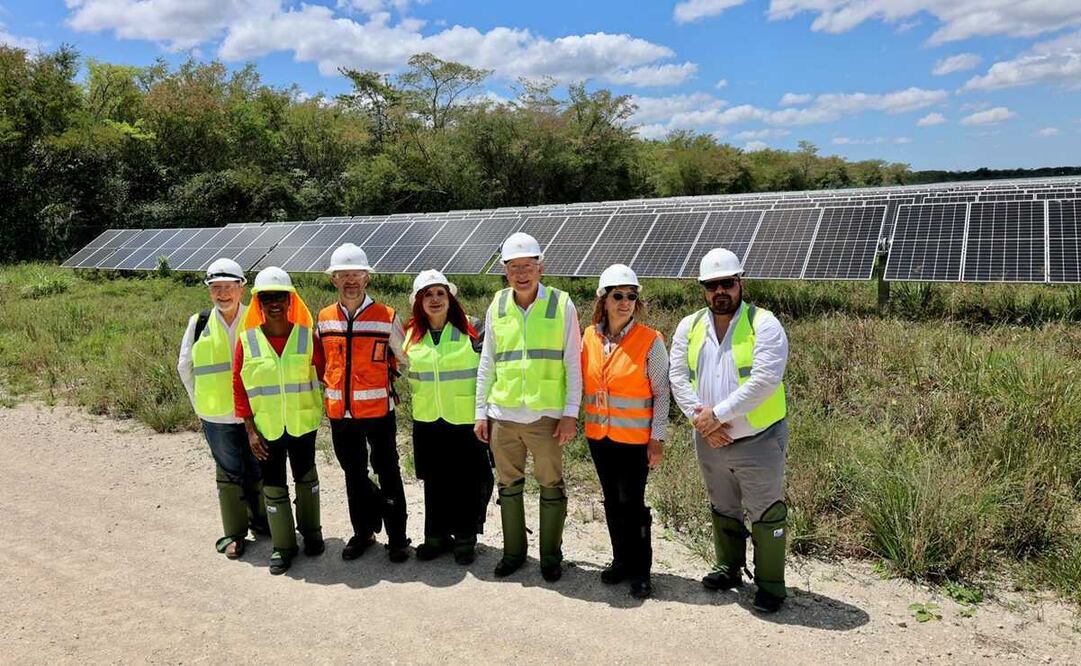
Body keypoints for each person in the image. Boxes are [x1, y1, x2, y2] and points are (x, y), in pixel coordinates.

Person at [668, 248, 790, 613]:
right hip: (709, 438)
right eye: (712, 285)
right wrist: (702, 422)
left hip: (758, 438)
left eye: (727, 283)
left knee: (766, 510)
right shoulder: (689, 326)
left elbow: (765, 380)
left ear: (741, 283)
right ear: (703, 289)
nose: (720, 291)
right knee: (722, 504)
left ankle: (770, 585)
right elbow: (678, 377)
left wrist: (717, 415)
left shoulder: (763, 324)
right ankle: (728, 568)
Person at [475, 232, 582, 582]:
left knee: (551, 484)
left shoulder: (561, 304)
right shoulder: (497, 304)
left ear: (540, 268)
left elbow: (573, 363)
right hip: (503, 415)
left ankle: (550, 556)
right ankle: (513, 554)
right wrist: (480, 412)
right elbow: (488, 362)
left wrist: (570, 413)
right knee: (509, 485)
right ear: (505, 271)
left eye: (527, 266)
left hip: (545, 416)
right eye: (514, 267)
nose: (521, 274)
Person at [316, 243, 411, 563]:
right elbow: (321, 362)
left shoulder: (387, 316)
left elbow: (405, 357)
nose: (350, 281)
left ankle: (398, 539)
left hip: (379, 412)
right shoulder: (324, 318)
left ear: (367, 278)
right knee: (353, 474)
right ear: (334, 280)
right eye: (343, 275)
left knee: (388, 471)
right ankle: (364, 533)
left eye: (356, 274)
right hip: (339, 414)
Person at [581, 264, 669, 599]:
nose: (625, 302)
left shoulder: (650, 340)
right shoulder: (589, 336)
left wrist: (657, 438)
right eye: (617, 295)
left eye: (631, 296)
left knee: (632, 503)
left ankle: (641, 570)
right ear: (603, 300)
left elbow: (662, 393)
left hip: (634, 441)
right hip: (600, 437)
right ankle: (620, 561)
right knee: (612, 501)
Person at [233, 266, 325, 575]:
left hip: (303, 424)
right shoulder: (247, 341)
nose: (274, 303)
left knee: (306, 478)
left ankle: (312, 534)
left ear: (290, 301)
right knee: (273, 484)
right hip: (266, 429)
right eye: (267, 298)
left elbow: (328, 373)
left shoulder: (307, 337)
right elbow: (239, 387)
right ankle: (283, 546)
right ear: (258, 303)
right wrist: (250, 430)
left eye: (280, 297)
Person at [177, 258, 267, 559]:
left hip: (255, 413)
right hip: (216, 415)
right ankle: (235, 534)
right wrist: (200, 405)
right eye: (216, 288)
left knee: (258, 467)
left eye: (229, 287)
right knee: (229, 472)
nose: (223, 294)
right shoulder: (199, 322)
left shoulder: (256, 318)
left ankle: (263, 522)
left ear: (242, 288)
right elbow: (185, 367)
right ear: (209, 291)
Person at [404, 269, 494, 565]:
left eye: (440, 293)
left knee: (466, 480)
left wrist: (486, 413)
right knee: (434, 480)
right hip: (427, 419)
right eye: (427, 295)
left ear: (450, 298)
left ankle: (465, 538)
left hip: (465, 420)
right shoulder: (410, 335)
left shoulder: (473, 328)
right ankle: (436, 536)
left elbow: (488, 372)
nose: (435, 299)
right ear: (418, 302)